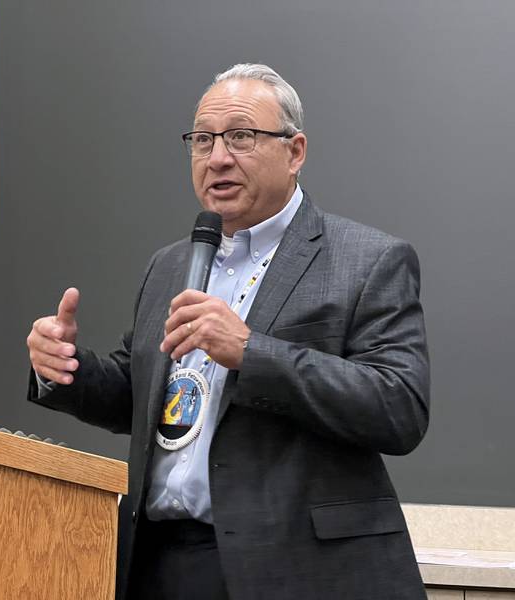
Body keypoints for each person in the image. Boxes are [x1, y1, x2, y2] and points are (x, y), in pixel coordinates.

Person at [26, 63, 429, 600]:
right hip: (160, 563)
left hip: (294, 571)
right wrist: (67, 369)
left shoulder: (367, 259)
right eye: (202, 140)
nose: (217, 157)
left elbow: (399, 407)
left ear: (295, 152)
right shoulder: (170, 265)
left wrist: (251, 352)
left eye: (241, 137)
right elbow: (143, 397)